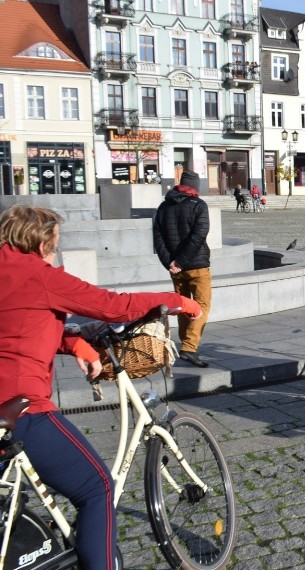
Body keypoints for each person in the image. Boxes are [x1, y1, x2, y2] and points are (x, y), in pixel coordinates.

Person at [0, 204, 201, 569]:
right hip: (22, 407)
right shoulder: (40, 276)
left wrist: (73, 341)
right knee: (98, 488)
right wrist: (177, 302)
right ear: (41, 241)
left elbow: (20, 327)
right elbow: (115, 306)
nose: (55, 252)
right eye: (54, 244)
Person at [153, 170, 212, 367]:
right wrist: (182, 261)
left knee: (184, 307)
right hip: (197, 265)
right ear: (195, 187)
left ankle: (185, 345)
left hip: (175, 269)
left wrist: (170, 262)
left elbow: (158, 238)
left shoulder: (163, 207)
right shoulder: (199, 205)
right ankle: (189, 347)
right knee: (201, 306)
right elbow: (199, 235)